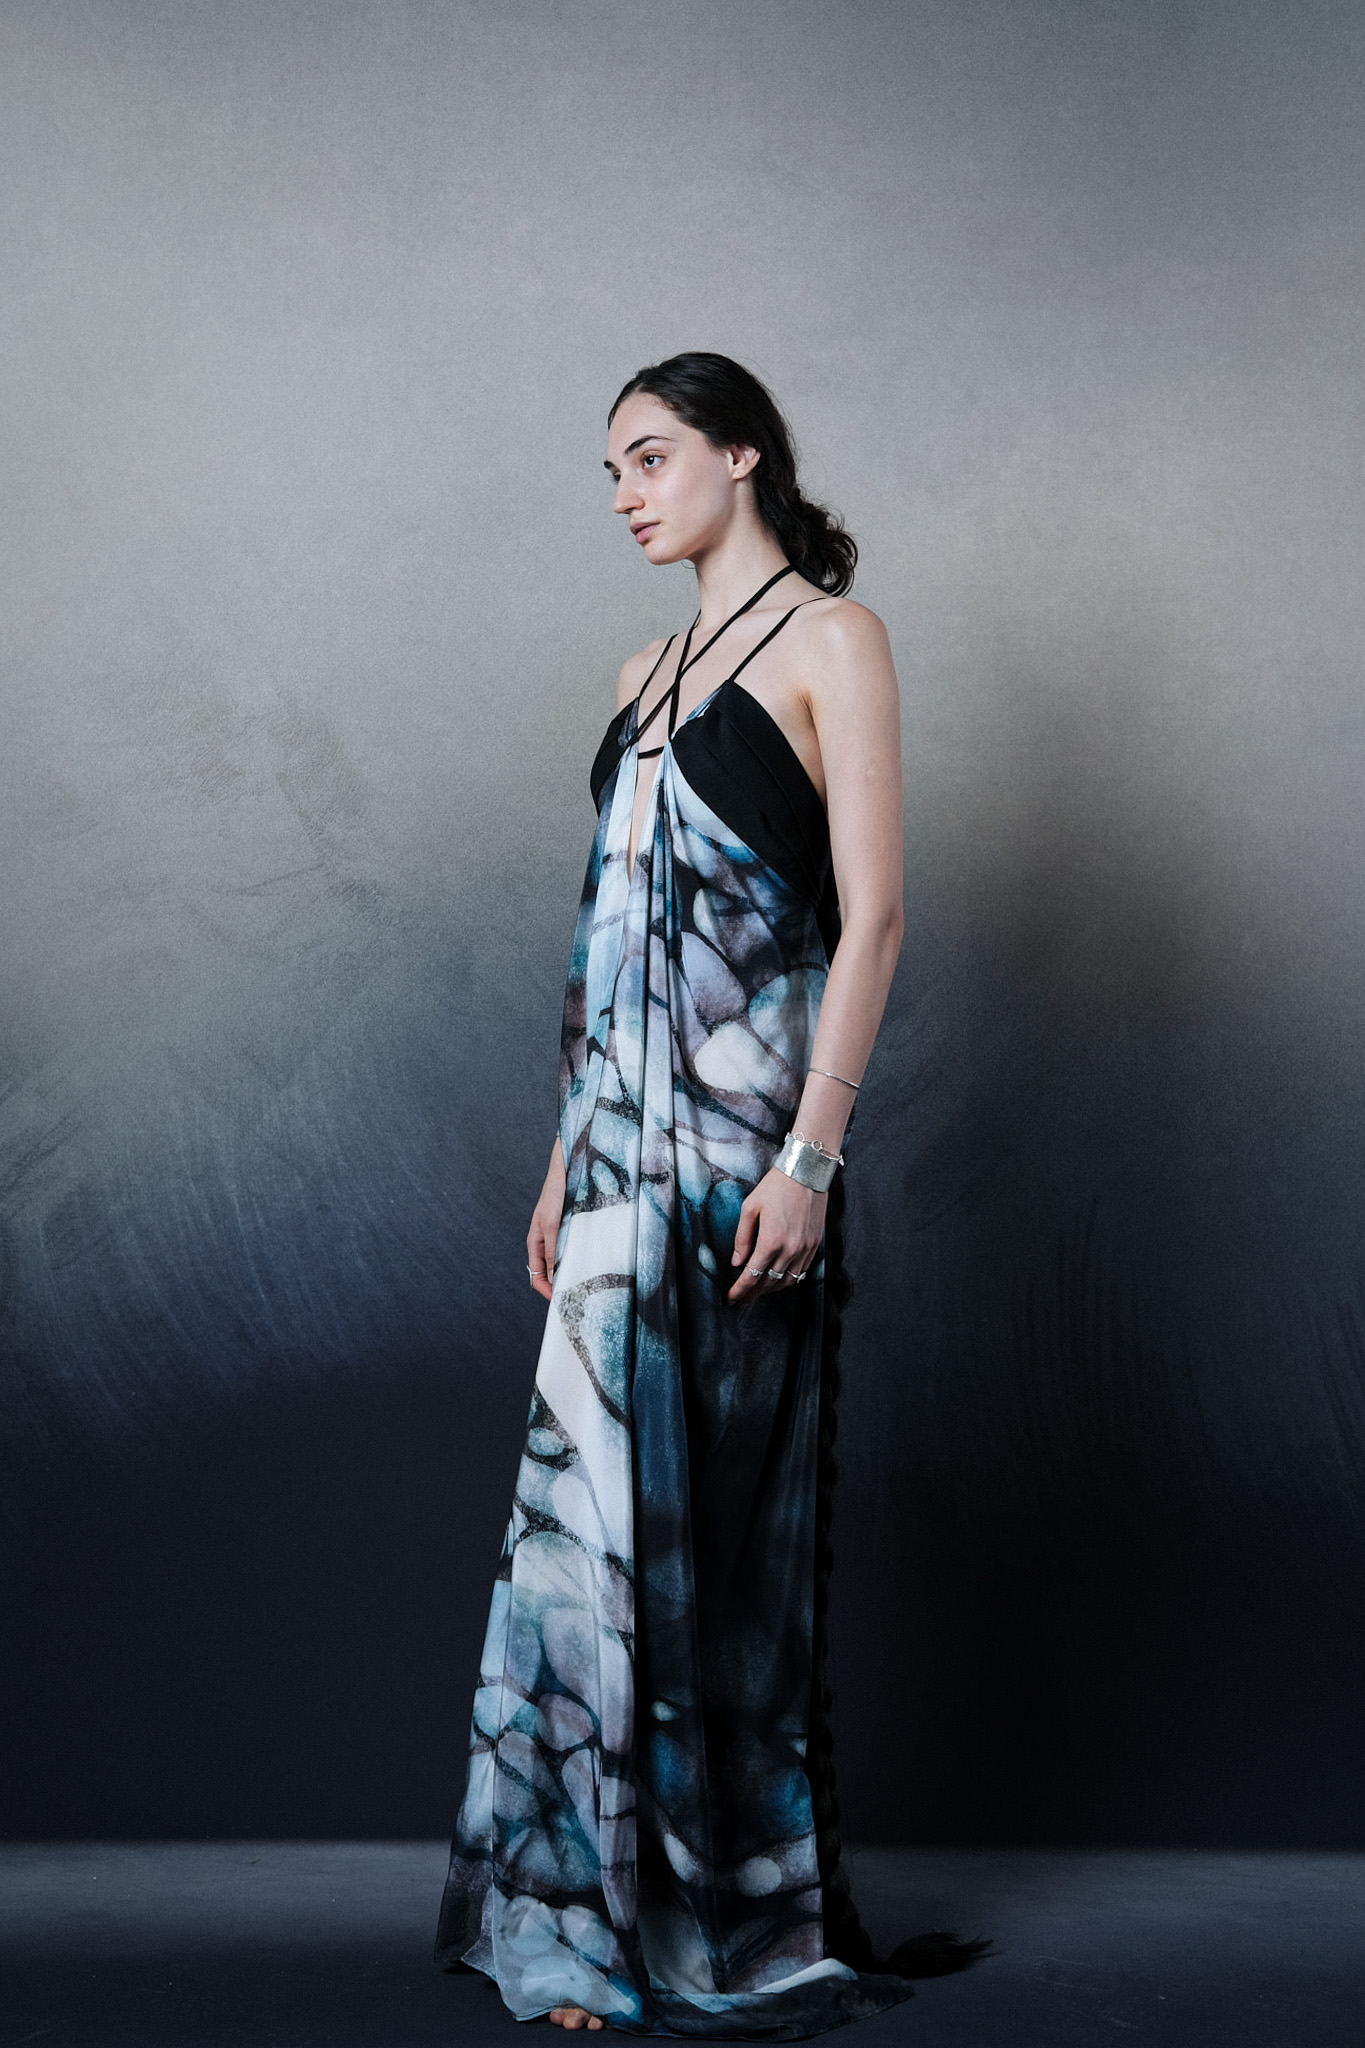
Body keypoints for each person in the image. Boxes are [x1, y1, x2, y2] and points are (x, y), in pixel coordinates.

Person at [435, 352, 984, 2036]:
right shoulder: (641, 670)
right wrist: (559, 1160)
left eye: (650, 455)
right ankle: (576, 1918)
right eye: (610, 468)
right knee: (582, 1531)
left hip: (747, 1159)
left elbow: (871, 919)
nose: (624, 491)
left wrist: (812, 1157)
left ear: (742, 454)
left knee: (718, 1548)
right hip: (610, 1157)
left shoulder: (833, 639)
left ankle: (719, 1917)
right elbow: (604, 954)